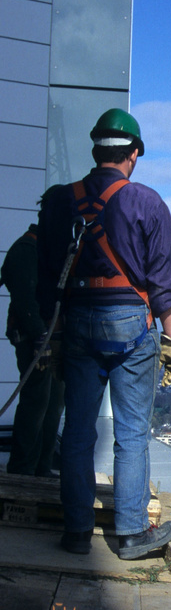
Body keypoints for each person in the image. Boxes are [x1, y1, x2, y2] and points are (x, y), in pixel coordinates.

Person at [37, 109, 171, 559]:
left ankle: (78, 532)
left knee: (78, 430)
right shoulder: (146, 202)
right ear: (134, 154)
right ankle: (131, 533)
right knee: (132, 432)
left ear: (96, 150)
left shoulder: (61, 200)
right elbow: (163, 281)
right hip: (131, 324)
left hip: (78, 323)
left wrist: (55, 335)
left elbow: (48, 279)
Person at [1, 192, 65, 476]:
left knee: (53, 404)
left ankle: (42, 466)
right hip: (34, 339)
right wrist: (40, 335)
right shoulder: (27, 249)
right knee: (36, 403)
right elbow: (25, 299)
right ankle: (23, 469)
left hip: (51, 336)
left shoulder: (48, 250)